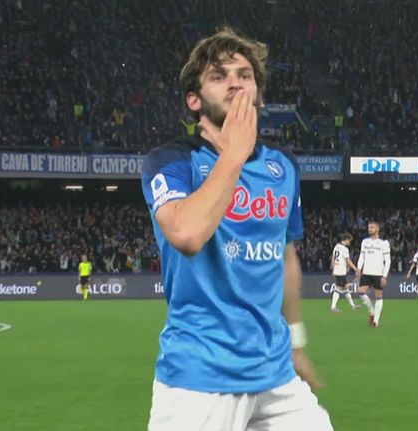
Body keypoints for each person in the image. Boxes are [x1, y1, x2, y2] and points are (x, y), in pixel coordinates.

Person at [141, 27, 333, 431]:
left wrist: (296, 341)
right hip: (200, 378)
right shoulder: (173, 162)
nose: (235, 82)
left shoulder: (283, 167)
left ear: (259, 95)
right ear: (193, 100)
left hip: (275, 373)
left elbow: (285, 256)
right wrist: (234, 152)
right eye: (219, 76)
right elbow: (187, 235)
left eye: (244, 75)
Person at [356, 221, 391, 328]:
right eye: (369, 227)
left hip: (378, 273)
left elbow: (388, 260)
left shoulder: (384, 243)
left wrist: (384, 275)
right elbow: (362, 256)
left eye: (372, 227)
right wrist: (359, 268)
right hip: (366, 272)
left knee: (378, 296)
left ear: (377, 229)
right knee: (360, 291)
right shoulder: (365, 242)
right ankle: (371, 311)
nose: (370, 229)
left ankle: (376, 321)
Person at [329, 233, 360, 312]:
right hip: (341, 271)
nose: (350, 242)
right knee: (339, 288)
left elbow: (333, 258)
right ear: (345, 240)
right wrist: (355, 269)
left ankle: (353, 306)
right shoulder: (344, 249)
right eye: (349, 241)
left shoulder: (336, 247)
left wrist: (333, 269)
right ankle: (333, 307)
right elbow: (348, 261)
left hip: (337, 270)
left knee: (346, 288)